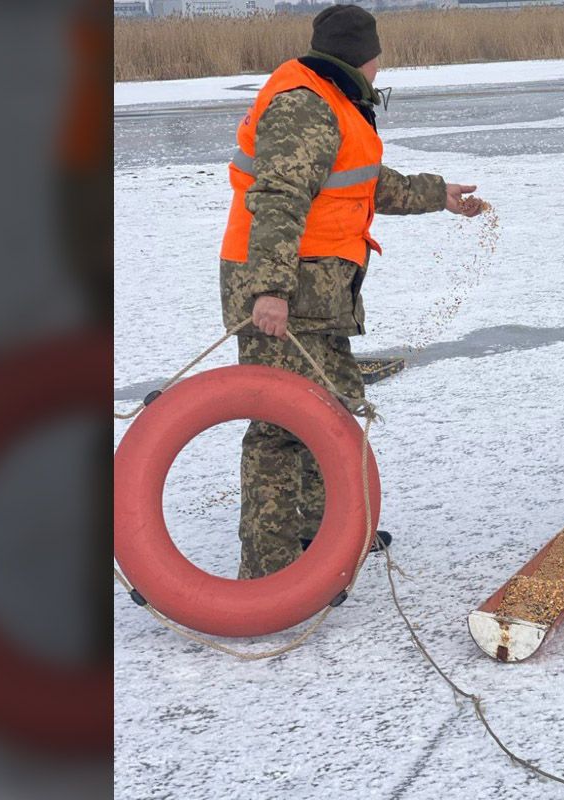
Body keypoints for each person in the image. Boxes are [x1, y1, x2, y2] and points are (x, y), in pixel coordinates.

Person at [218, 4, 483, 579]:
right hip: (281, 290)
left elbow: (362, 182)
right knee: (279, 426)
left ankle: (326, 535)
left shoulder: (334, 102)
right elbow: (281, 199)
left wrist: (438, 194)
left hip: (317, 293)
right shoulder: (304, 105)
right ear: (367, 56)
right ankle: (268, 573)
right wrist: (268, 291)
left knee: (333, 407)